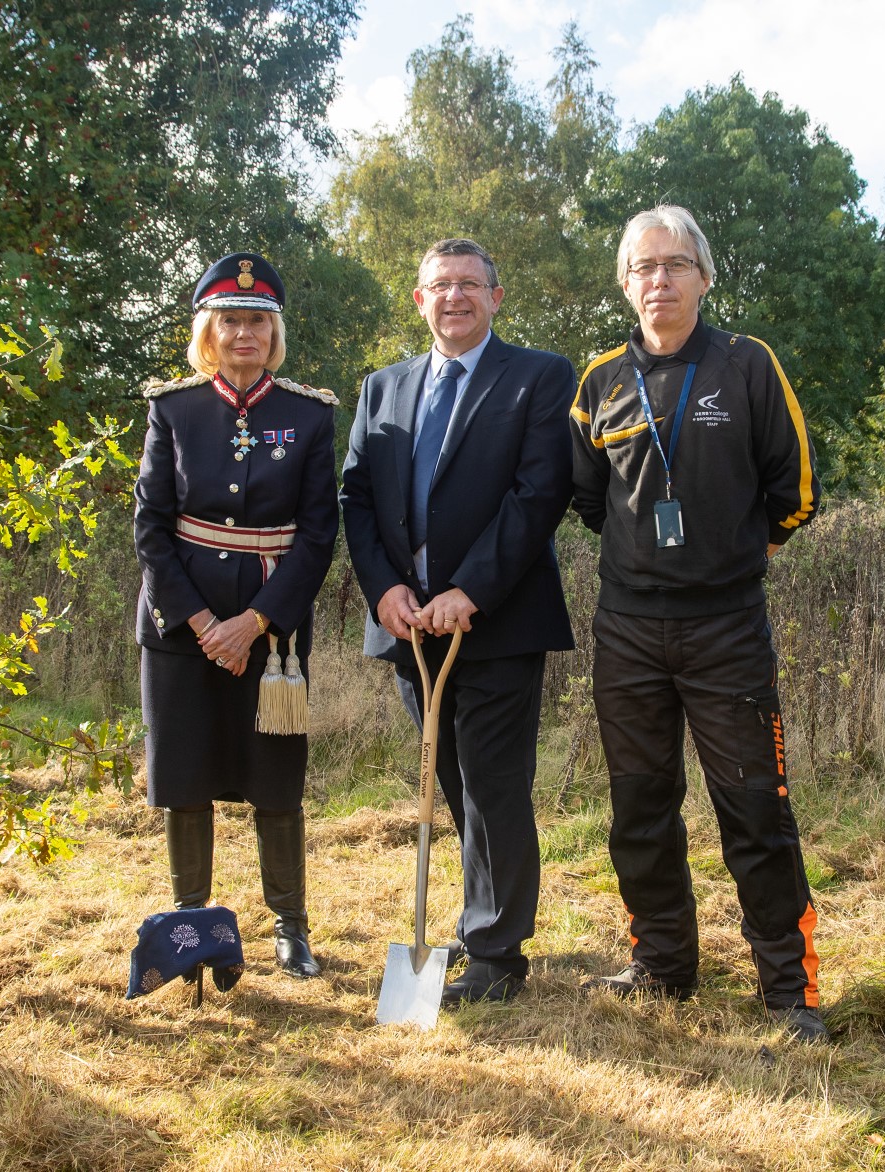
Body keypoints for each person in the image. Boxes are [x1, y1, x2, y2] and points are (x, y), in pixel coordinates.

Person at [570, 205, 826, 1041]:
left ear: (705, 277)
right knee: (640, 810)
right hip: (629, 632)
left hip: (726, 631)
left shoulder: (749, 366)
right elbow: (585, 499)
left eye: (676, 264)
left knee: (755, 810)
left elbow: (796, 495)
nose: (660, 281)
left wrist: (730, 558)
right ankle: (662, 965)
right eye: (644, 268)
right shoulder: (600, 381)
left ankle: (789, 991)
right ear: (625, 285)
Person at [340, 238, 575, 1006]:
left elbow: (539, 494)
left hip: (497, 621)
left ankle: (497, 955)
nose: (455, 297)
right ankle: (481, 928)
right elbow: (357, 501)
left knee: (493, 786)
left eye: (470, 284)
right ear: (418, 299)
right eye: (440, 285)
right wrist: (384, 591)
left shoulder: (538, 377)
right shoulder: (382, 389)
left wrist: (470, 588)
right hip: (410, 627)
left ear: (496, 297)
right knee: (450, 779)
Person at [133, 252, 339, 979]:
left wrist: (252, 623)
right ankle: (192, 925)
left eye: (257, 320)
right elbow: (151, 527)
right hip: (181, 629)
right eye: (230, 320)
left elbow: (319, 535)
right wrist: (199, 622)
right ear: (208, 331)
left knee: (274, 774)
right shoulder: (173, 409)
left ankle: (291, 927)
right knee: (185, 774)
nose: (244, 332)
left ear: (273, 332)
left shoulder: (309, 416)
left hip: (271, 633)